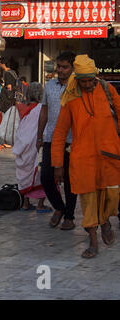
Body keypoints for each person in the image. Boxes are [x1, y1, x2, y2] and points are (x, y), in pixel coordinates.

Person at [52, 54, 120, 259]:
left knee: (112, 196)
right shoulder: (70, 98)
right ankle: (92, 241)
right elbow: (60, 132)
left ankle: (106, 220)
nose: (89, 84)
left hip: (110, 156)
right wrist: (57, 164)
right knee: (89, 201)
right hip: (83, 159)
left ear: (96, 76)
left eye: (92, 80)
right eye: (84, 81)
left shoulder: (108, 90)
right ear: (78, 79)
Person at [36, 51, 77, 231]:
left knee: (70, 180)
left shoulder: (78, 86)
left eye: (64, 67)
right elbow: (44, 111)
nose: (60, 70)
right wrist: (39, 135)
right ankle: (59, 207)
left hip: (71, 140)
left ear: (73, 68)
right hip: (50, 138)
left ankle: (69, 216)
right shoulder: (50, 85)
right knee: (46, 177)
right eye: (58, 66)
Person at [13, 82, 51, 213]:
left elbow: (21, 130)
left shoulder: (23, 108)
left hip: (23, 147)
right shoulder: (43, 109)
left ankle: (26, 203)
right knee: (42, 176)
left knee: (26, 176)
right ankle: (40, 204)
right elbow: (46, 129)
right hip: (37, 147)